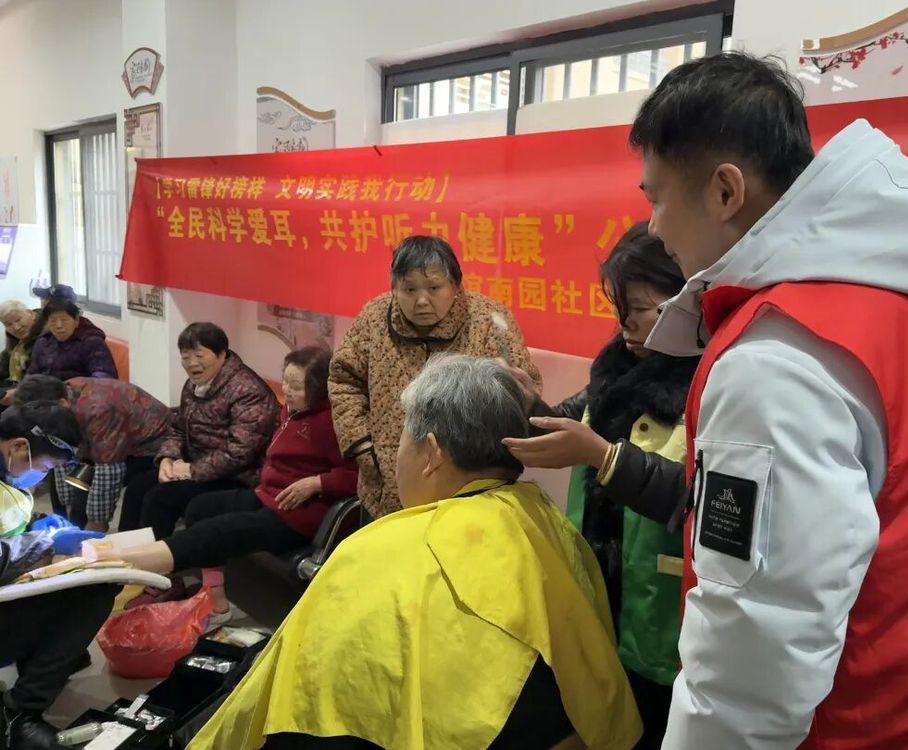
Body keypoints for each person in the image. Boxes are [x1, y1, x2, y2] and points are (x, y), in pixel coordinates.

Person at [629, 52, 908, 748]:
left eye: (656, 198)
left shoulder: (776, 364)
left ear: (725, 191)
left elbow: (754, 664)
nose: (652, 227)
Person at [188, 355, 641, 750]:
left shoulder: (376, 552)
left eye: (404, 437)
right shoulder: (546, 523)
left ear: (433, 453)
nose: (397, 453)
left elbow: (303, 688)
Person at [502, 222, 696, 749]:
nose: (625, 323)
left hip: (662, 614)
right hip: (600, 590)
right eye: (620, 307)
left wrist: (605, 458)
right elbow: (565, 426)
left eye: (642, 309)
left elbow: (700, 498)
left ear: (688, 299)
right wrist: (525, 404)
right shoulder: (614, 372)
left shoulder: (713, 383)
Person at [97, 348, 357, 623]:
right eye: (285, 381)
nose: (287, 391)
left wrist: (317, 483)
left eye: (296, 387)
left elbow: (360, 476)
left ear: (318, 389)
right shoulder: (290, 411)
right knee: (199, 508)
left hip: (297, 515)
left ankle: (126, 562)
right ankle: (214, 596)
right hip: (267, 494)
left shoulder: (334, 423)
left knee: (216, 532)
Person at [329, 235, 541, 519]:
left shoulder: (488, 321)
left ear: (456, 285)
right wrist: (362, 446)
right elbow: (344, 379)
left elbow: (521, 394)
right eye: (409, 289)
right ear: (394, 288)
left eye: (434, 288)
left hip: (466, 495)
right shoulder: (374, 317)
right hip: (383, 489)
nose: (421, 301)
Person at [0, 401, 118, 750]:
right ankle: (21, 712)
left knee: (99, 577)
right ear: (18, 446)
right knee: (94, 593)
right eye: (45, 467)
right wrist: (46, 543)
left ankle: (44, 664)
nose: (43, 475)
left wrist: (39, 524)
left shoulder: (7, 473)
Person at [120, 323, 280, 550]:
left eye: (199, 355)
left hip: (238, 476)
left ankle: (153, 565)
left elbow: (240, 452)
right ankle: (122, 555)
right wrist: (167, 459)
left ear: (221, 354)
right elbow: (177, 428)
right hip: (198, 466)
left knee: (160, 498)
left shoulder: (248, 391)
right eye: (185, 357)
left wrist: (192, 470)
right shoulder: (193, 385)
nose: (191, 363)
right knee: (137, 487)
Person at [13, 375, 172, 532]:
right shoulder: (60, 396)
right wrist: (67, 504)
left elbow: (108, 469)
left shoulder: (99, 410)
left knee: (130, 495)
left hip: (154, 446)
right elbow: (62, 452)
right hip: (110, 445)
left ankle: (123, 539)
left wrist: (97, 522)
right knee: (77, 496)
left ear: (62, 404)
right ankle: (74, 531)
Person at [25, 298, 118, 381]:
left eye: (64, 320)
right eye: (53, 321)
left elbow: (105, 377)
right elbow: (31, 375)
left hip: (80, 392)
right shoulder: (42, 343)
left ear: (76, 321)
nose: (59, 326)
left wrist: (75, 386)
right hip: (44, 392)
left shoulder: (92, 342)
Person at [0, 301, 44, 389]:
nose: (16, 327)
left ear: (30, 314)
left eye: (18, 320)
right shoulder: (15, 343)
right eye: (9, 324)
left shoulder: (48, 335)